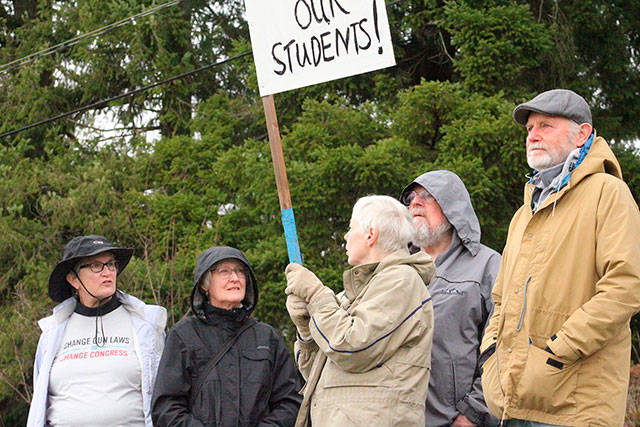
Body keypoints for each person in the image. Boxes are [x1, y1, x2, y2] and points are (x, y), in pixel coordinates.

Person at [479, 89, 640, 426]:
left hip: (575, 405)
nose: (533, 136)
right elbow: (500, 297)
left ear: (582, 134)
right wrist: (490, 354)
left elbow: (626, 287)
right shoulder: (525, 212)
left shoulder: (608, 194)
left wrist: (557, 351)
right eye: (529, 129)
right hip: (513, 400)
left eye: (545, 126)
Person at [285, 195, 435, 426]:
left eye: (350, 227)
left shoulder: (401, 281)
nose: (346, 236)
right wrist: (306, 330)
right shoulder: (356, 294)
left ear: (370, 234)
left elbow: (352, 348)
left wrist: (317, 296)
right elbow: (317, 372)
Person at [151, 245, 301, 426]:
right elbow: (166, 407)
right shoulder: (184, 335)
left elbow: (290, 402)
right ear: (205, 283)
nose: (235, 278)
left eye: (240, 271)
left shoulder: (267, 338)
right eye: (225, 271)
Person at [27, 235, 167, 427]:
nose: (107, 272)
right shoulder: (52, 334)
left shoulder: (147, 326)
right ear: (73, 279)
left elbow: (166, 397)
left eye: (110, 264)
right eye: (95, 266)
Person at [400, 170, 500, 427]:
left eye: (427, 196)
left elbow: (505, 349)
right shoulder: (396, 270)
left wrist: (472, 415)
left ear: (454, 206)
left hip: (456, 421)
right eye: (410, 198)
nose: (415, 203)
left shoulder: (488, 266)